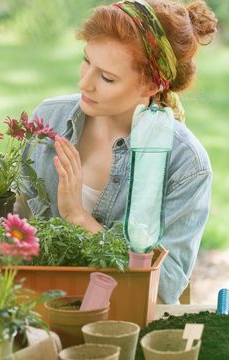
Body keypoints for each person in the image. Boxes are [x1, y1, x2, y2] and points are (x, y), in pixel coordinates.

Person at [15, 0, 217, 304]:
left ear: (151, 84)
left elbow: (164, 288)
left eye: (106, 77)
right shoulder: (49, 120)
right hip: (40, 309)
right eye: (86, 61)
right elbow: (14, 230)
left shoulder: (186, 164)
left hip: (125, 325)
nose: (84, 82)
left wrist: (79, 219)